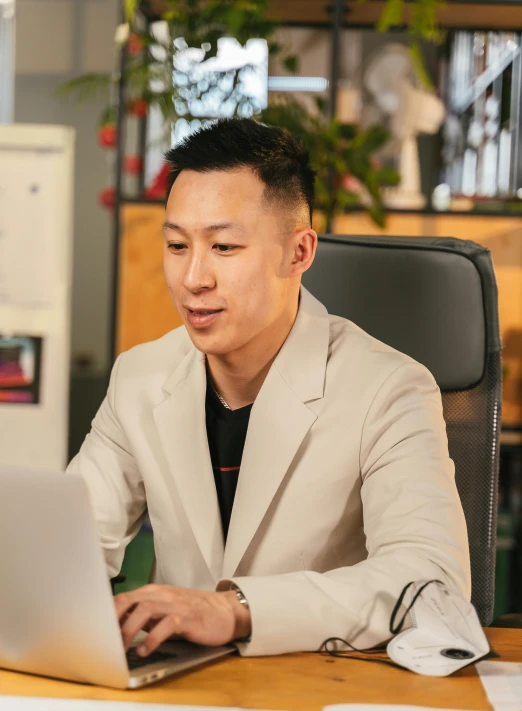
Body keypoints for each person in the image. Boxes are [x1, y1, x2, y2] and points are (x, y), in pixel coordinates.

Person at [67, 117, 471, 659]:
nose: (193, 278)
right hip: (181, 694)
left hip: (318, 687)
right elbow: (72, 545)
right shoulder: (139, 376)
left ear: (298, 253)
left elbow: (431, 583)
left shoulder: (389, 389)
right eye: (177, 245)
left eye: (224, 247)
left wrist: (236, 610)